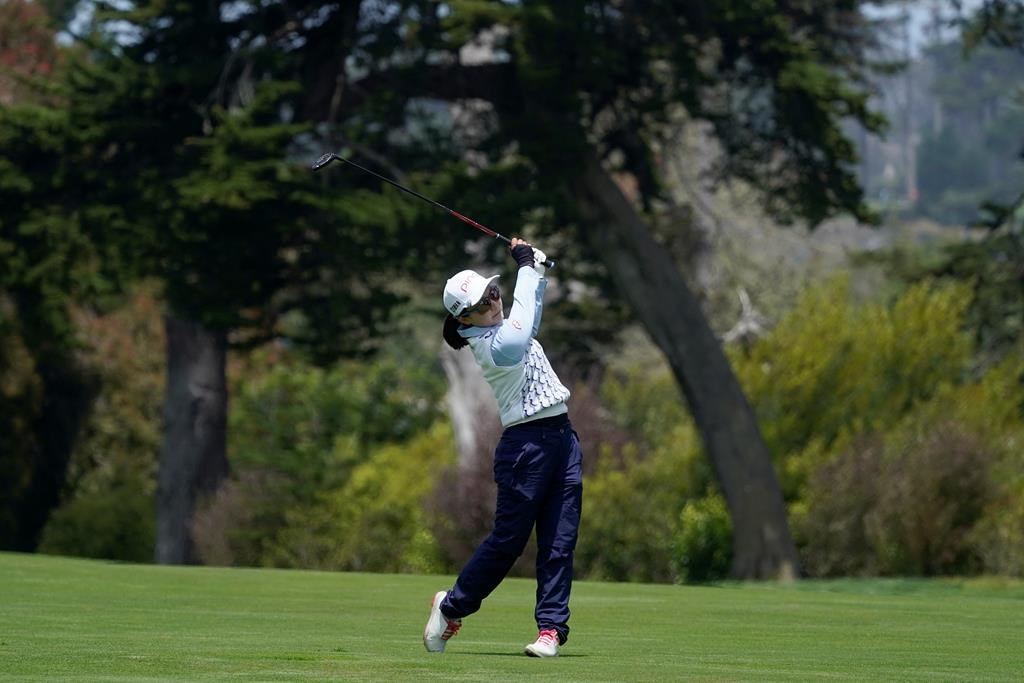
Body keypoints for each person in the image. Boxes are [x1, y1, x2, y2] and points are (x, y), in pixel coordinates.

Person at [423, 238, 583, 658]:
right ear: (466, 319)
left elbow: (531, 317)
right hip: (525, 449)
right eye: (482, 303)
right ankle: (451, 606)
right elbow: (523, 324)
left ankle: (550, 630)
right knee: (509, 541)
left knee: (559, 541)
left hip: (563, 440)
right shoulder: (494, 346)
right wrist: (527, 265)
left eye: (493, 292)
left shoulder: (508, 329)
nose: (494, 302)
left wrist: (540, 273)